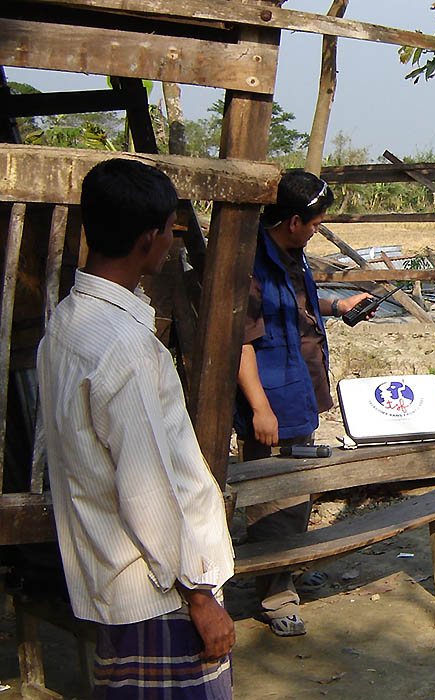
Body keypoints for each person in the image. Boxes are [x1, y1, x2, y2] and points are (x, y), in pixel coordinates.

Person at [36, 158, 236, 698]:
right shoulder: (125, 347)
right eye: (170, 231)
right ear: (150, 239)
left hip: (117, 578)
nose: (171, 242)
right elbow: (149, 490)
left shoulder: (68, 322)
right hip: (160, 592)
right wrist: (200, 597)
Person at [233, 169, 374, 637]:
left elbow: (298, 309)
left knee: (298, 488)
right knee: (271, 495)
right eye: (315, 223)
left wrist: (339, 306)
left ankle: (288, 568)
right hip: (272, 399)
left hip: (298, 392)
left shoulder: (290, 254)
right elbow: (241, 341)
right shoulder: (251, 263)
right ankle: (275, 595)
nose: (317, 229)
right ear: (293, 221)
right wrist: (259, 408)